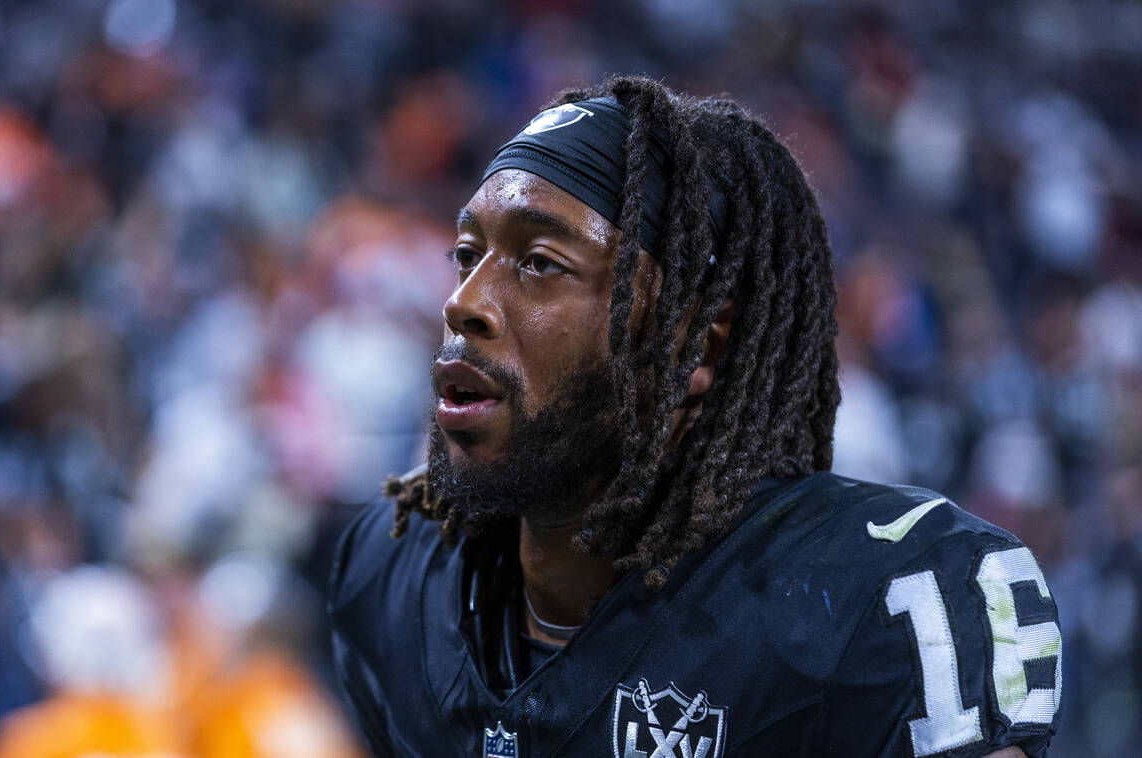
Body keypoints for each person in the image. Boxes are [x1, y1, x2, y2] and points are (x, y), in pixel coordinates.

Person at [329, 76, 1061, 758]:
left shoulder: (881, 603)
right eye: (466, 254)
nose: (464, 302)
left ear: (693, 346)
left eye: (540, 262)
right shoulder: (391, 572)